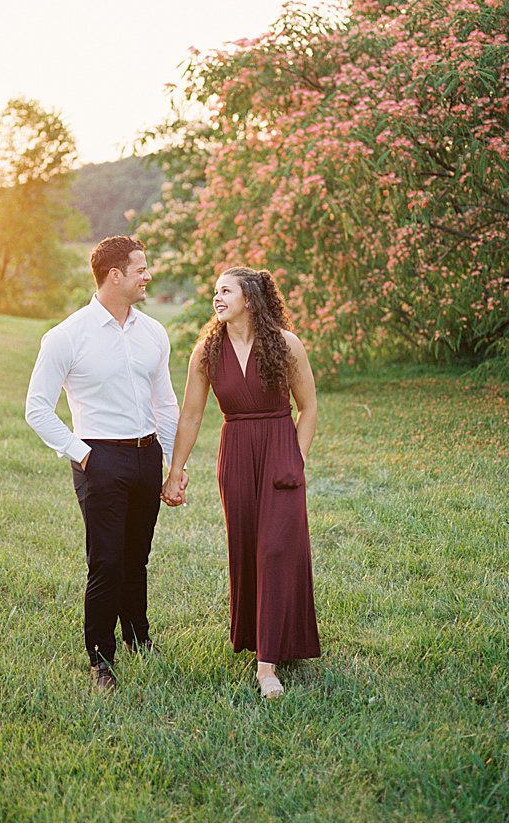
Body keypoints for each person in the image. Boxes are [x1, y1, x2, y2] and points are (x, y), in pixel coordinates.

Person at [25, 235, 182, 692]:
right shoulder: (66, 336)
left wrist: (170, 461)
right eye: (141, 269)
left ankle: (138, 637)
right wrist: (84, 454)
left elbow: (165, 403)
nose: (148, 276)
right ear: (115, 275)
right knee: (107, 562)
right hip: (99, 457)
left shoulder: (153, 331)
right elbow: (37, 408)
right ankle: (101, 660)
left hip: (147, 454)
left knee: (137, 558)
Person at [161, 266, 321, 699]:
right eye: (215, 291)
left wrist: (296, 457)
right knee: (249, 548)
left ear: (249, 298)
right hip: (236, 453)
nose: (217, 297)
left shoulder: (286, 345)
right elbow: (192, 415)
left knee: (276, 549)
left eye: (225, 290)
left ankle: (266, 667)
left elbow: (308, 408)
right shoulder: (206, 352)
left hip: (278, 450)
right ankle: (268, 641)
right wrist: (176, 469)